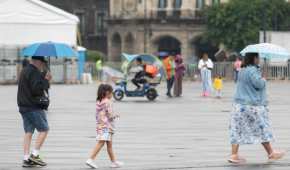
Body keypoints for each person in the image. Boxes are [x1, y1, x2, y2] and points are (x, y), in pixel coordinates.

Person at [228, 52, 285, 164]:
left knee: (237, 129)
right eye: (258, 57)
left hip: (239, 105)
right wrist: (263, 79)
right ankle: (271, 153)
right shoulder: (253, 70)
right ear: (254, 58)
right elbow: (258, 84)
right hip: (251, 105)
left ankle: (234, 154)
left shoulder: (242, 70)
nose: (259, 59)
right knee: (262, 128)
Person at [17, 56, 52, 167]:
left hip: (23, 106)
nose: (42, 65)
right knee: (44, 129)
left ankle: (26, 158)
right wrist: (46, 80)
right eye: (42, 63)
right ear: (37, 62)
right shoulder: (34, 71)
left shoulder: (25, 70)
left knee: (29, 132)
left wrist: (42, 77)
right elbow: (36, 90)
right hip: (33, 107)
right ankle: (34, 154)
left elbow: (32, 85)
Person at [86, 84, 123, 169]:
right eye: (111, 93)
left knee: (109, 145)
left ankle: (113, 162)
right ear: (107, 93)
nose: (112, 95)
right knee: (101, 143)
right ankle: (90, 159)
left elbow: (98, 115)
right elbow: (110, 115)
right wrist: (115, 115)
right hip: (107, 126)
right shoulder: (108, 102)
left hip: (100, 125)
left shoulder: (99, 101)